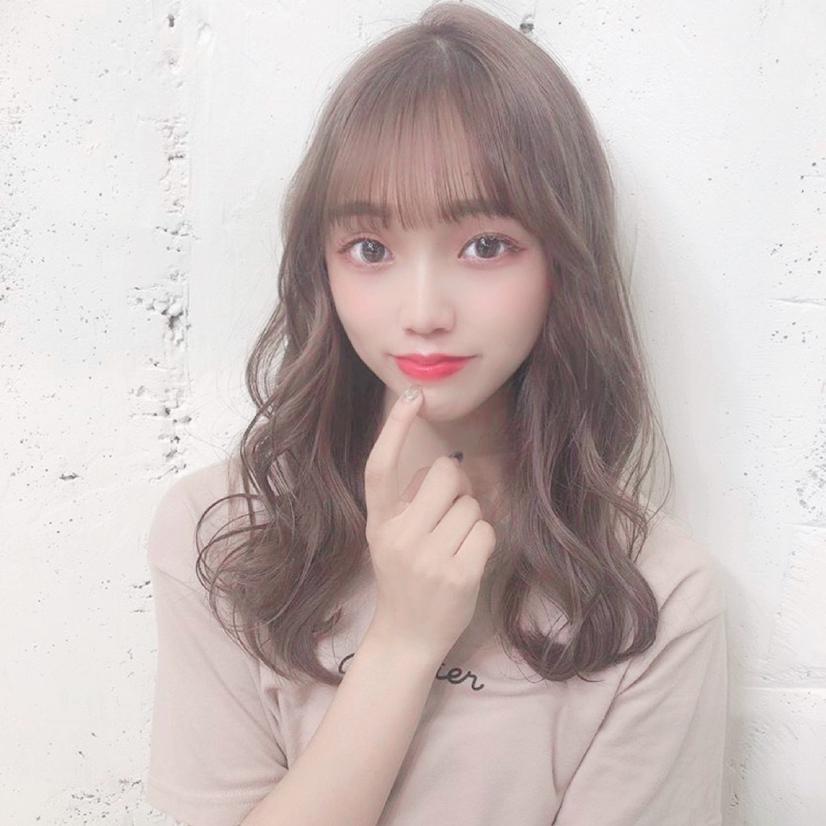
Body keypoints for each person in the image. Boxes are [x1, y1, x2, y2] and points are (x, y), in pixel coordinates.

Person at [144, 3, 728, 825]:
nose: (423, 312)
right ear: (322, 267)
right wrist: (404, 643)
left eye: (485, 245)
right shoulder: (228, 536)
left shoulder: (650, 598)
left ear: (564, 262)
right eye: (371, 249)